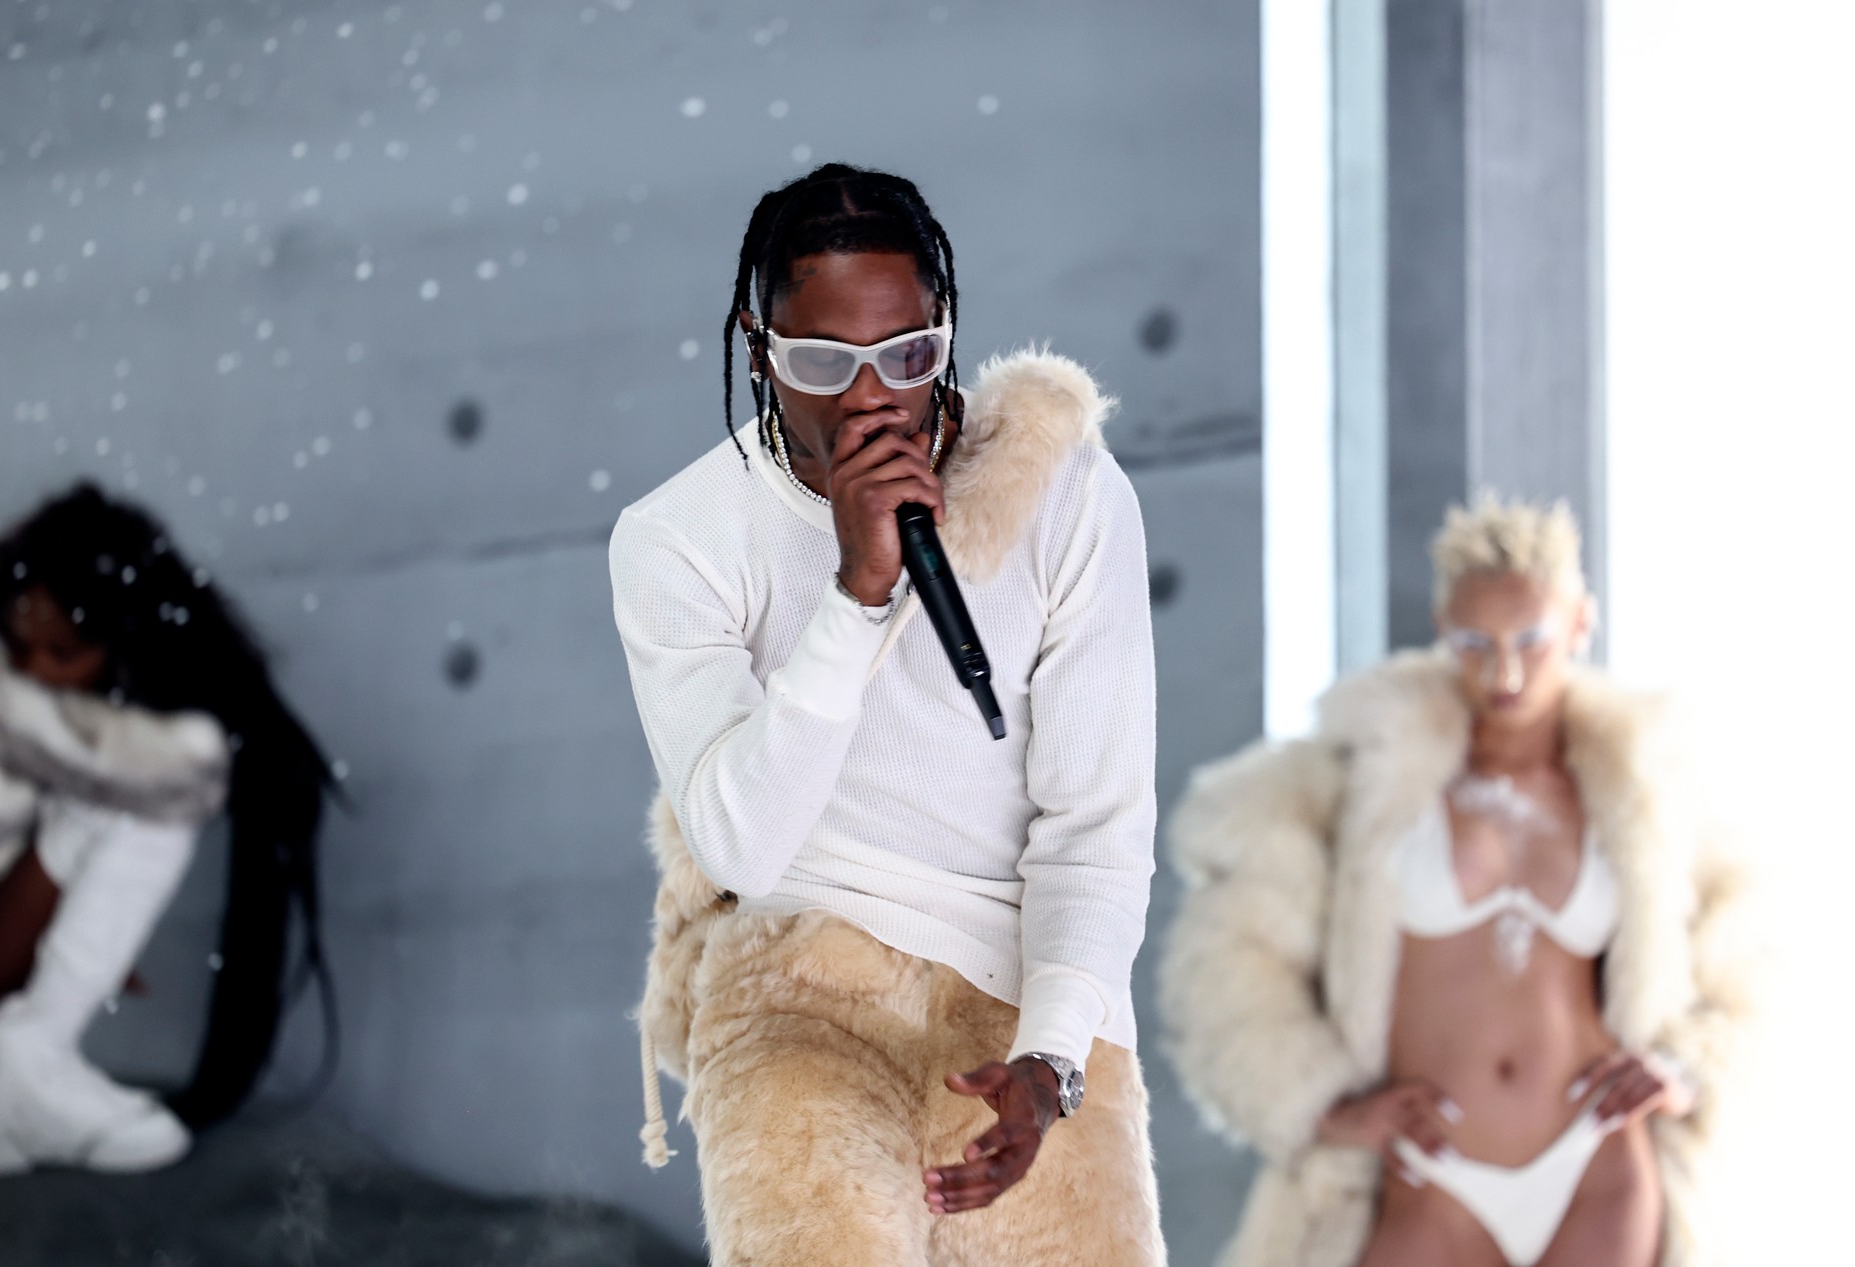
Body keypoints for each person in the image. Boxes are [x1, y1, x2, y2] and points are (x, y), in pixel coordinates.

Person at [613, 163, 1166, 1266]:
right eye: (822, 362)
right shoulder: (678, 538)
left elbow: (1095, 828)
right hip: (798, 983)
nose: (871, 399)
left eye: (908, 356)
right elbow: (741, 844)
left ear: (944, 328)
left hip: (1025, 998)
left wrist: (1052, 1058)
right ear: (758, 343)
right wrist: (858, 594)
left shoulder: (1063, 492)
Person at [1161, 496, 1757, 1267]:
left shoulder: (1647, 790)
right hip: (1431, 1176)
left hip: (1598, 1165)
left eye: (1531, 640)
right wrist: (1319, 1105)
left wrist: (1690, 1070)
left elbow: (1749, 952)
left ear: (1580, 623)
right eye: (1476, 642)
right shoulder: (1359, 779)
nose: (1504, 671)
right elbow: (1230, 963)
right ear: (1444, 627)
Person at [0, 483, 336, 1174]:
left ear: (120, 641)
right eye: (19, 644)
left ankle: (22, 1077)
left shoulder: (122, 731)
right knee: (151, 791)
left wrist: (77, 919)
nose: (33, 668)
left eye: (61, 650)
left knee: (152, 790)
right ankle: (24, 1068)